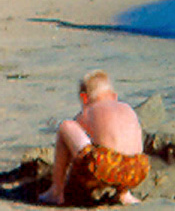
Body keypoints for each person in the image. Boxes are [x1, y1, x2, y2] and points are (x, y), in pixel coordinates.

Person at [38, 70, 149, 206]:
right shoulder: (127, 108)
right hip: (138, 169)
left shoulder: (89, 110)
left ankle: (56, 191)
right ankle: (124, 194)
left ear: (84, 98)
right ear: (114, 96)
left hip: (106, 166)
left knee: (66, 127)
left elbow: (76, 144)